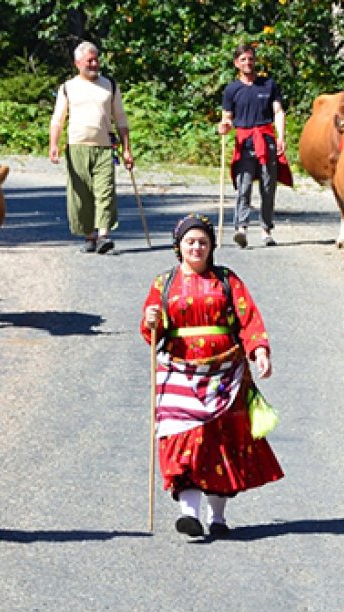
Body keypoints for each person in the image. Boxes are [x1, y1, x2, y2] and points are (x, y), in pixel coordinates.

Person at [141, 214, 284, 537]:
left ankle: (217, 518)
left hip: (225, 372)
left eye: (203, 242)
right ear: (178, 246)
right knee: (183, 437)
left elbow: (248, 318)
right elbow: (152, 334)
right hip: (179, 371)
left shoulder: (227, 280)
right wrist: (151, 320)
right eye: (190, 242)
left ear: (211, 246)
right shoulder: (164, 284)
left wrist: (260, 350)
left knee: (221, 442)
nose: (197, 247)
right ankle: (189, 514)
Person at [48, 41, 134, 255]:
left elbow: (121, 119)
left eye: (96, 60)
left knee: (105, 192)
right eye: (89, 61)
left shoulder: (109, 85)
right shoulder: (68, 88)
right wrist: (53, 144)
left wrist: (126, 149)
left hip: (105, 147)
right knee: (81, 195)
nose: (94, 64)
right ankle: (89, 236)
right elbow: (58, 119)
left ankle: (104, 236)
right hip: (77, 147)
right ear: (78, 63)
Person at [217, 44, 293, 249]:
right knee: (244, 186)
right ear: (236, 63)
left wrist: (281, 137)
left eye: (250, 59)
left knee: (268, 187)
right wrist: (224, 126)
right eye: (243, 59)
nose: (247, 63)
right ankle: (241, 229)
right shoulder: (232, 89)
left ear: (255, 61)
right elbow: (227, 117)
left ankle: (266, 230)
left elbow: (278, 112)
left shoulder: (268, 85)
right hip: (244, 141)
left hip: (266, 140)